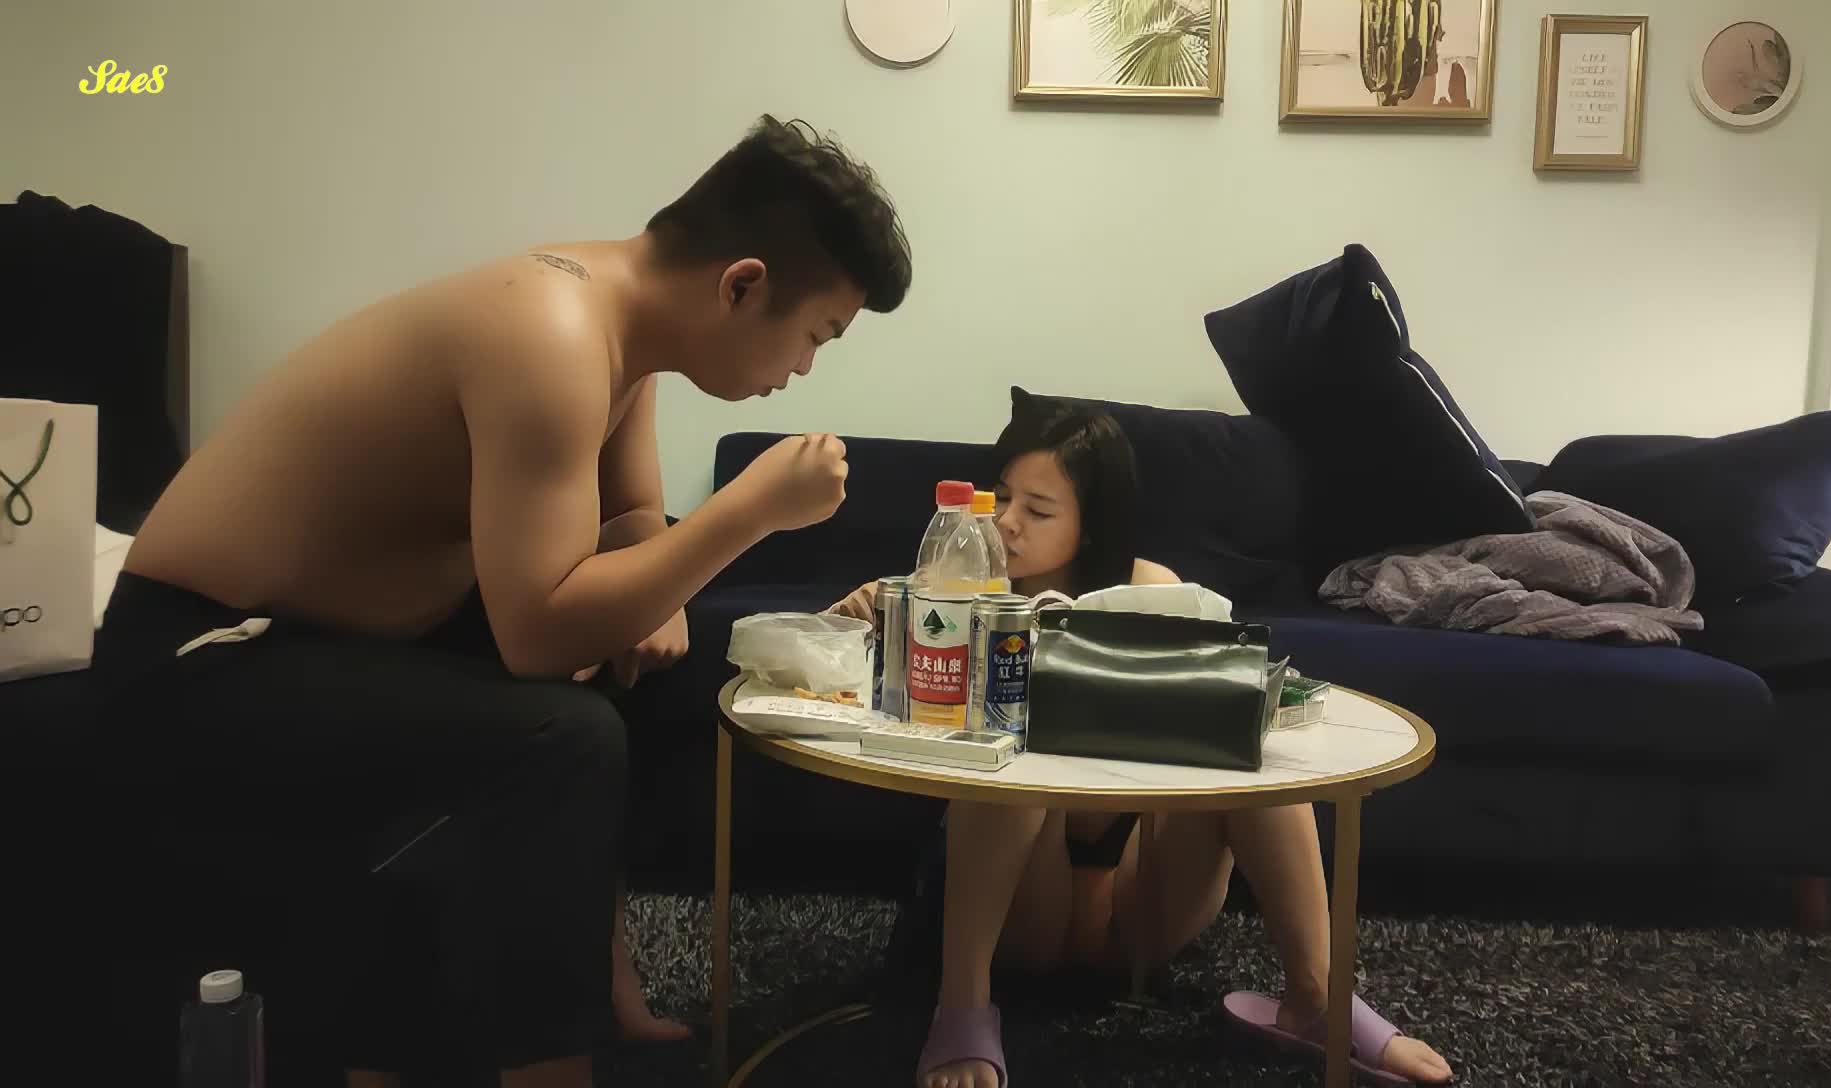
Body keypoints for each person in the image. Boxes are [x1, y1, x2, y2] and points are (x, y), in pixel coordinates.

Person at [92, 114, 911, 1087]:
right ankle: (547, 1064)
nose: (806, 367)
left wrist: (654, 579)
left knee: (651, 661)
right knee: (564, 734)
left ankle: (594, 983)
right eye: (816, 335)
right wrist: (750, 510)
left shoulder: (623, 333)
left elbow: (630, 514)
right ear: (742, 285)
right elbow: (537, 632)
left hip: (338, 634)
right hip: (201, 655)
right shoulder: (550, 333)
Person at [829, 394, 1453, 1088]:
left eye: (1038, 510)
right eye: (1000, 497)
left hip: (1142, 899)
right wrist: (854, 625)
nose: (1006, 523)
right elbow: (852, 691)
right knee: (1010, 737)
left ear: (1092, 525)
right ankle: (964, 1004)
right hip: (1021, 907)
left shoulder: (1150, 591)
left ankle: (1316, 997)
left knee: (1254, 746)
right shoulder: (952, 591)